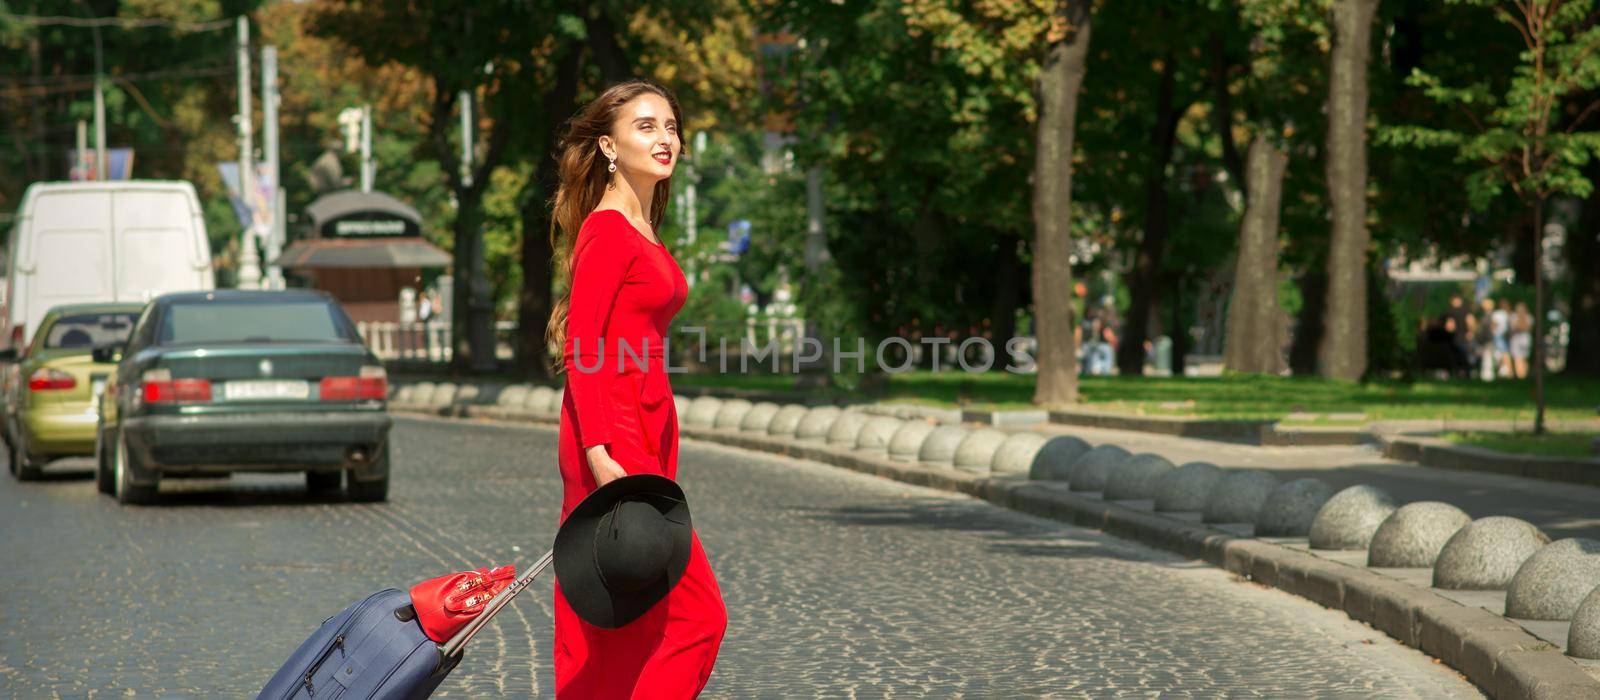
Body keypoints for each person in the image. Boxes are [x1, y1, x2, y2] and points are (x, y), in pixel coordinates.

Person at [543, 79, 727, 699]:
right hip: (615, 442)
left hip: (644, 432)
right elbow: (584, 347)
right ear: (609, 146)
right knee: (697, 617)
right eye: (646, 126)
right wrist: (600, 457)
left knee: (633, 622)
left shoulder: (642, 227)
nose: (665, 138)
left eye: (671, 126)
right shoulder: (608, 231)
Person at [1510, 301, 1534, 379]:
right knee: (1523, 360)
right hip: (1526, 339)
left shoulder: (1514, 317)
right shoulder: (1529, 317)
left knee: (1519, 360)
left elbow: (1516, 328)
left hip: (1518, 340)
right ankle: (1523, 376)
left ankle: (1521, 377)